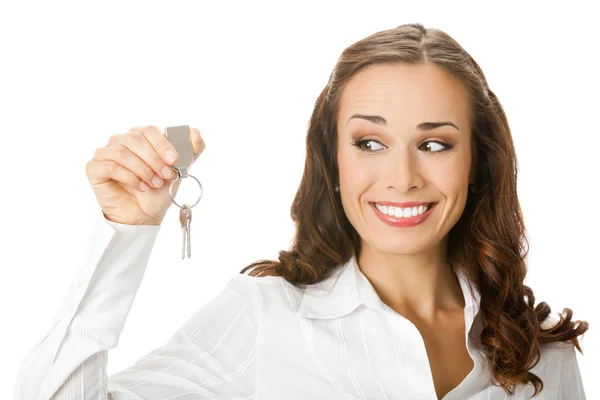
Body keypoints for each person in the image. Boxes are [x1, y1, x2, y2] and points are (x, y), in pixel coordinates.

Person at [13, 23, 588, 400]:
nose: (403, 178)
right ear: (332, 161)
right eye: (369, 143)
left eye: (434, 144)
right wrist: (127, 232)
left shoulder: (543, 353)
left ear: (478, 162)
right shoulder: (264, 319)